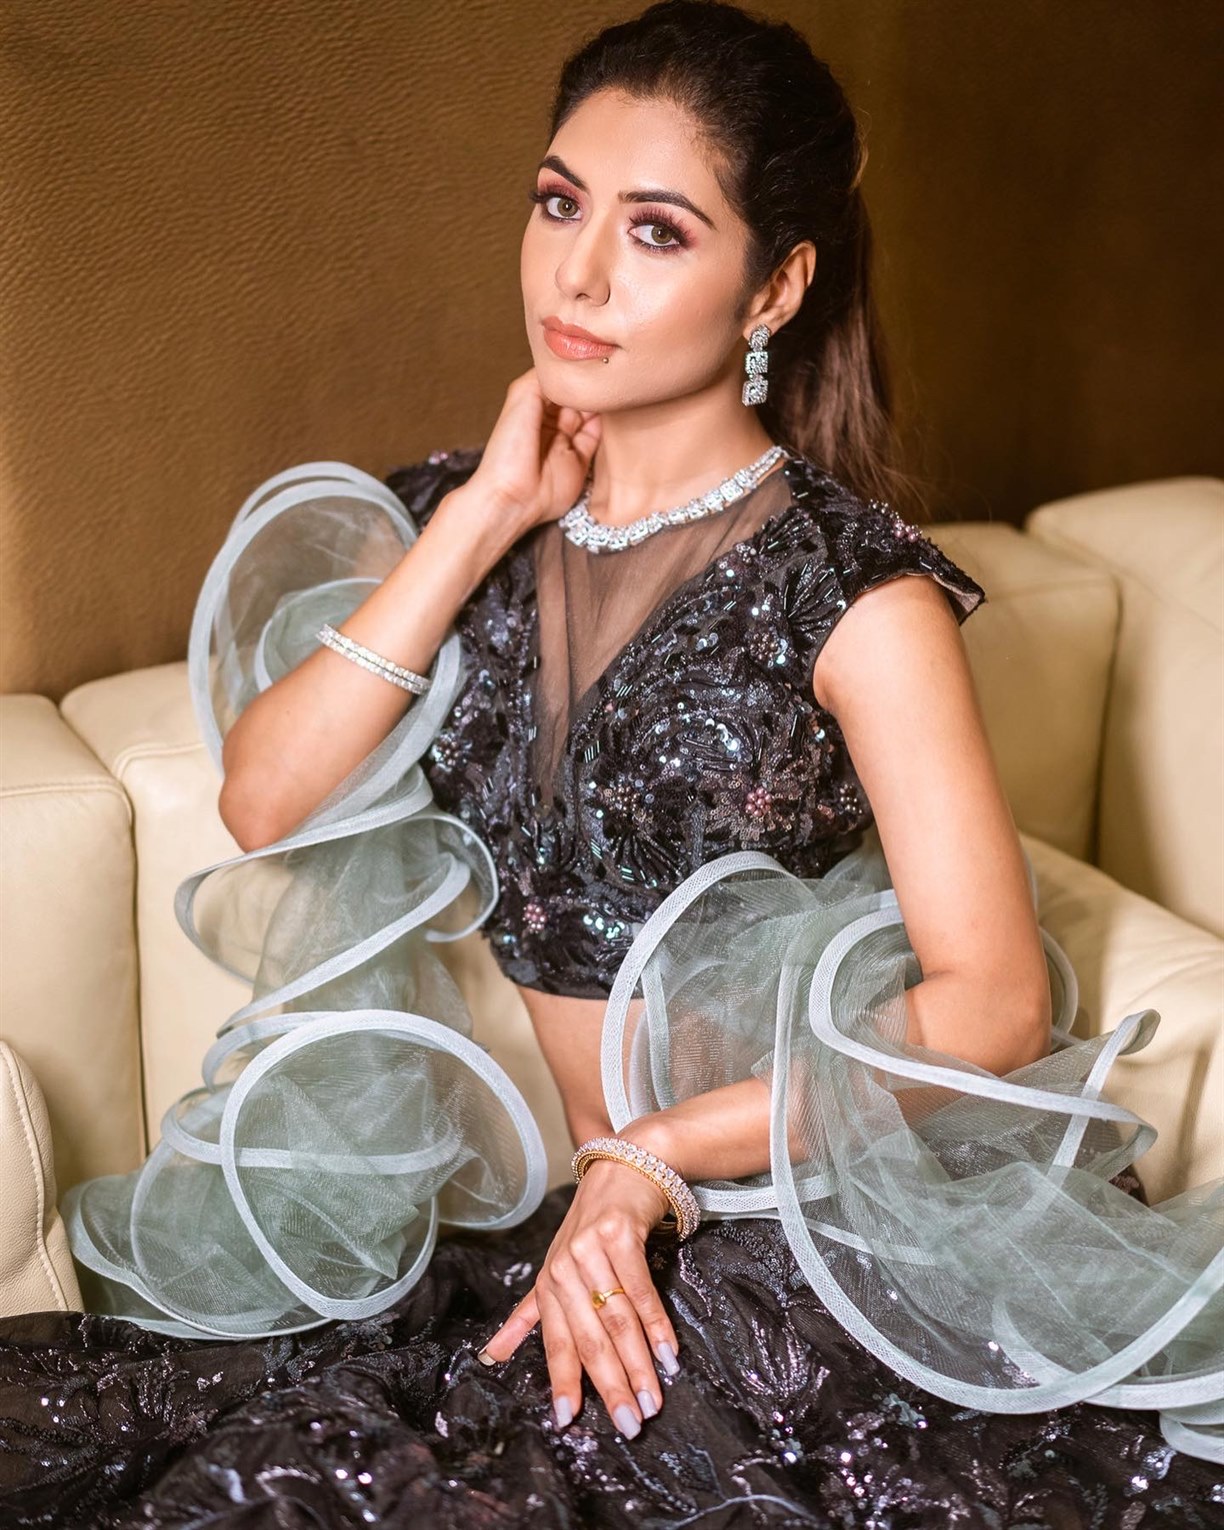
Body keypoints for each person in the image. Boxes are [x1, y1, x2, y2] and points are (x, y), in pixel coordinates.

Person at [1, 3, 1220, 1525]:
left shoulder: (855, 595)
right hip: (573, 1216)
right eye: (559, 203)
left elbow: (994, 1001)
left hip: (785, 1212)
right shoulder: (458, 518)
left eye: (655, 230)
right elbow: (264, 796)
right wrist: (480, 517)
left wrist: (654, 1153)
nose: (576, 274)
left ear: (774, 285)